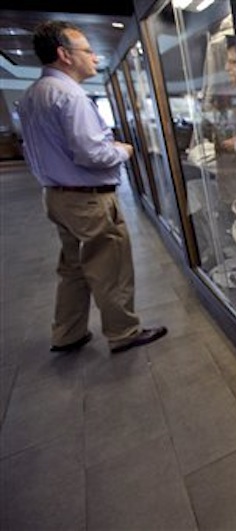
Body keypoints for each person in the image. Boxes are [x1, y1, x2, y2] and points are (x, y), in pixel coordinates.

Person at [17, 21, 167, 353]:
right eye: (87, 50)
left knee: (72, 267)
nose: (94, 57)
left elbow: (32, 152)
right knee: (109, 266)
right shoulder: (70, 96)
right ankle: (124, 332)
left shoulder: (32, 96)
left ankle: (67, 333)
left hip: (56, 196)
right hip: (87, 201)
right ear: (64, 54)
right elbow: (92, 153)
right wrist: (123, 151)